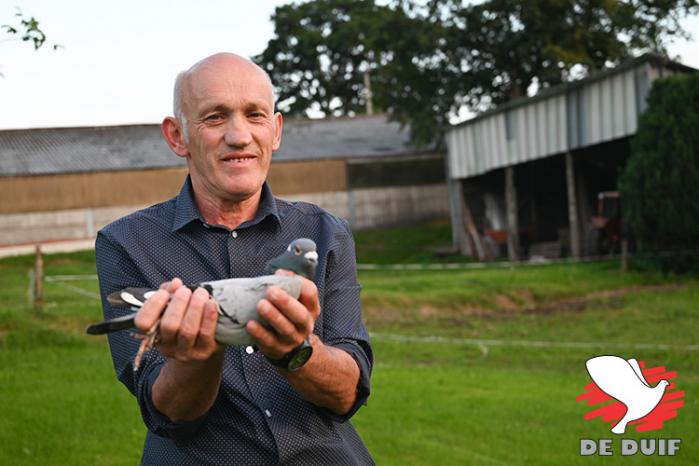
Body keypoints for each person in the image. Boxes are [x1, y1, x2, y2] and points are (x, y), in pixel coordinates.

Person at [95, 53, 373, 465]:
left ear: (275, 131)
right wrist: (197, 356)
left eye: (255, 115)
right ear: (177, 136)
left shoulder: (325, 234)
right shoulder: (127, 243)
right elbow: (167, 411)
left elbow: (348, 391)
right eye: (215, 117)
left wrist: (296, 351)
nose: (239, 136)